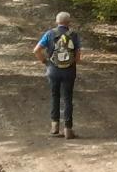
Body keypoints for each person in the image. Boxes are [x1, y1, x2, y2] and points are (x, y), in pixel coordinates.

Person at [33, 11, 81, 139]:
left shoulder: (50, 34)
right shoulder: (74, 35)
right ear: (69, 22)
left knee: (55, 96)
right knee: (68, 98)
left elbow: (36, 50)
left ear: (56, 21)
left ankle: (54, 128)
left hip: (53, 70)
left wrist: (45, 61)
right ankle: (68, 130)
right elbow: (78, 57)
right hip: (69, 71)